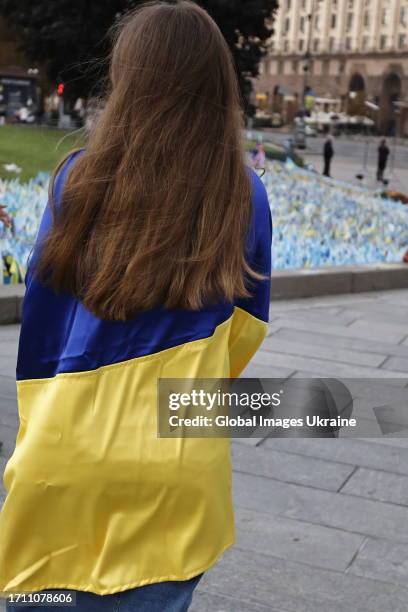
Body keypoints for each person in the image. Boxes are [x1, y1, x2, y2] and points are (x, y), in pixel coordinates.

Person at [0, 2, 272, 611]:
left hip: (66, 457)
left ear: (127, 78)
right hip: (177, 470)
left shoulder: (78, 177)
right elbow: (248, 331)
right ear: (218, 82)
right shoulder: (245, 194)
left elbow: (41, 333)